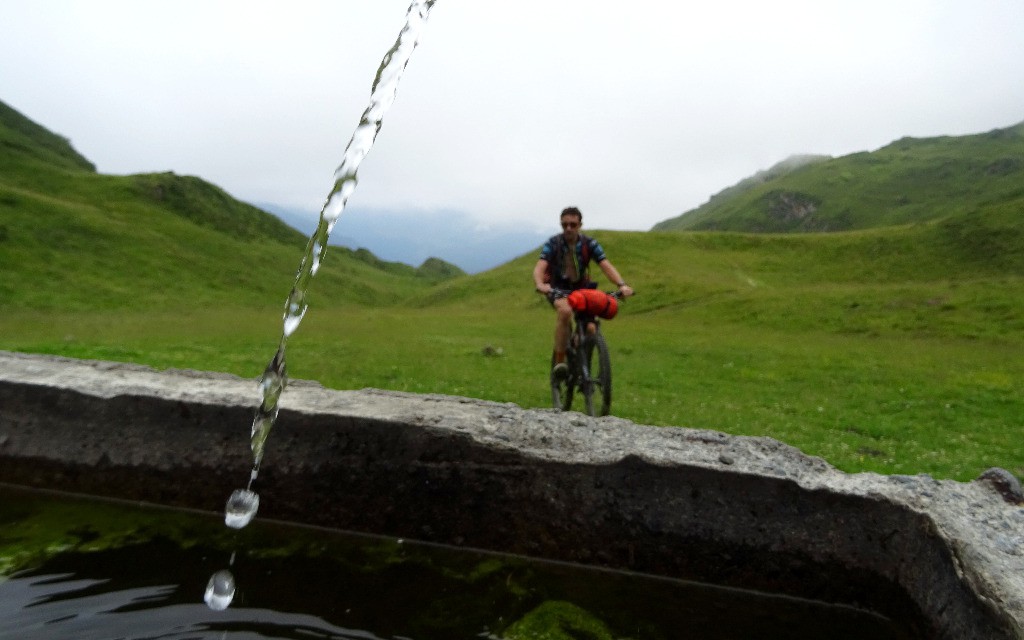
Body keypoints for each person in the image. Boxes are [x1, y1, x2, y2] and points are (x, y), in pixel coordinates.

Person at [533, 206, 634, 378]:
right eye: (565, 225)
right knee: (565, 312)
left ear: (580, 225)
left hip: (583, 291)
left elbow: (605, 265)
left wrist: (622, 285)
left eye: (573, 224)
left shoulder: (590, 244)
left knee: (591, 329)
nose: (569, 229)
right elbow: (540, 266)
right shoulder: (554, 243)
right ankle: (560, 362)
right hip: (558, 289)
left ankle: (582, 366)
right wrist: (540, 284)